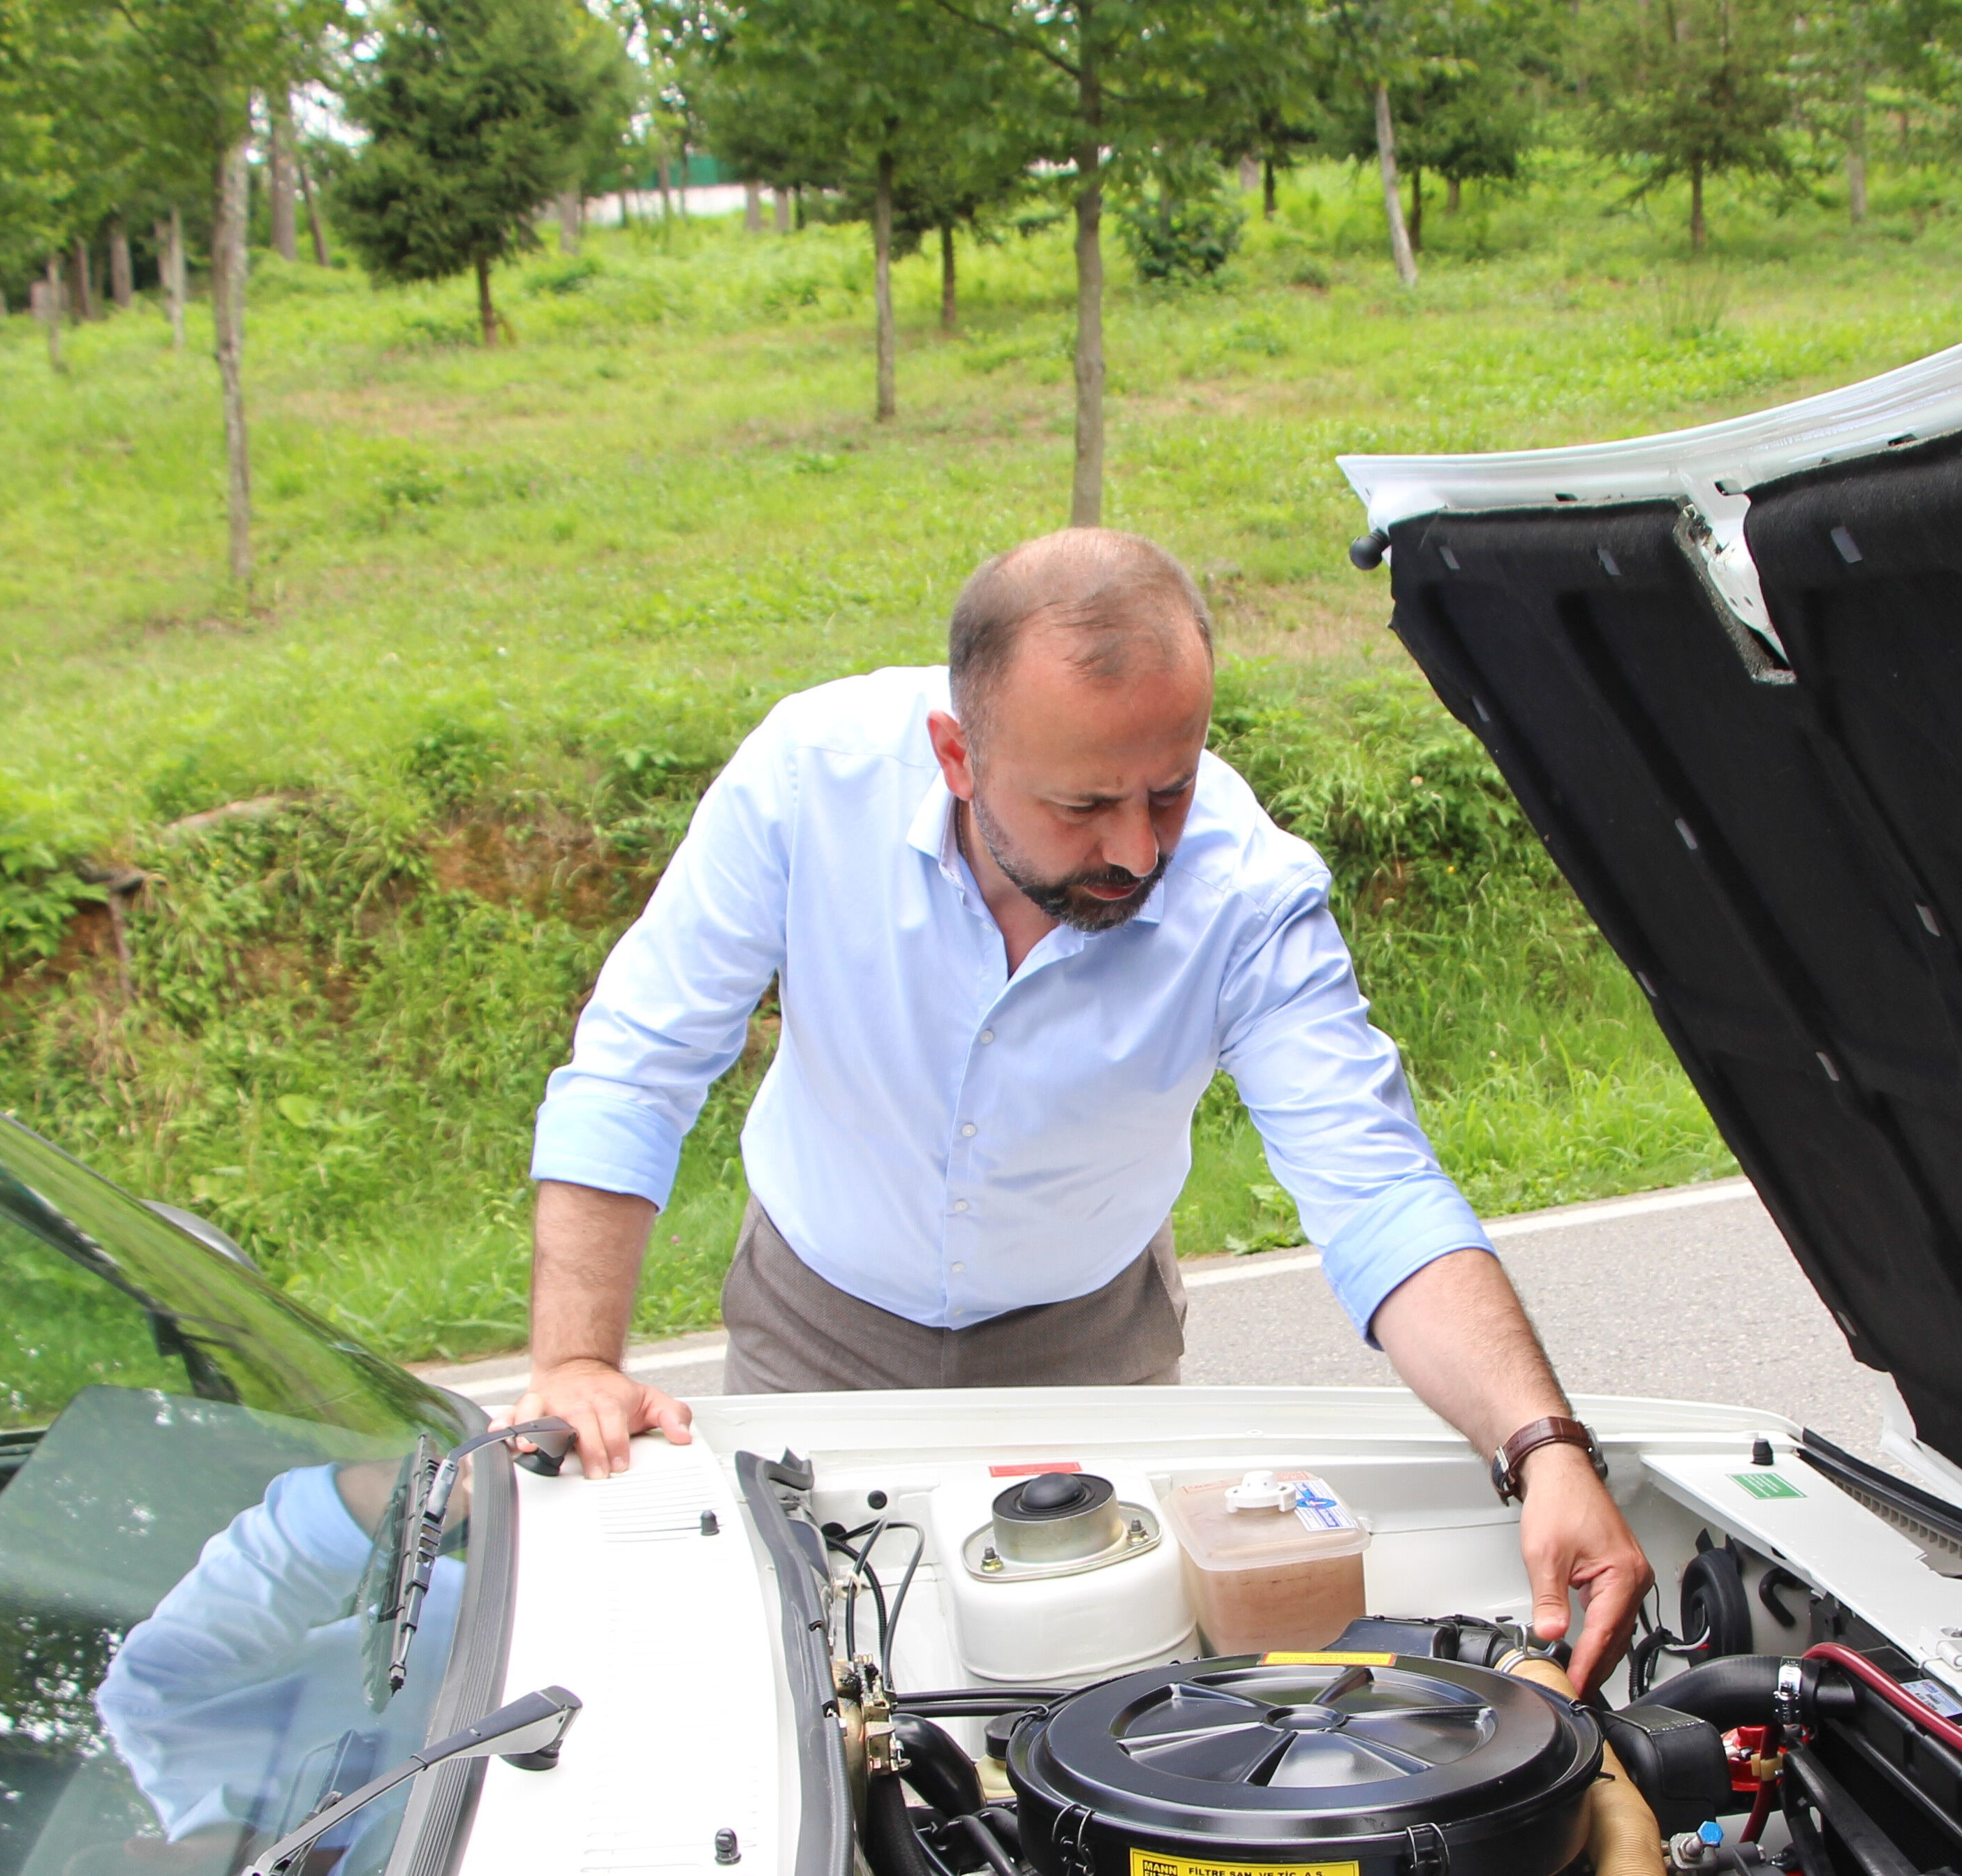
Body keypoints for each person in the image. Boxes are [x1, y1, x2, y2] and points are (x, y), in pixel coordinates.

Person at [513, 529, 1650, 1673]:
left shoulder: (1248, 891)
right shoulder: (809, 779)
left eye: (1171, 789)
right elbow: (636, 1065)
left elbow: (1378, 1194)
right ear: (956, 756)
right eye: (1083, 804)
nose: (1139, 850)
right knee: (807, 1661)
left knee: (1095, 1694)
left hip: (1092, 1343)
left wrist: (1542, 1446)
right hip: (816, 1321)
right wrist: (575, 1362)